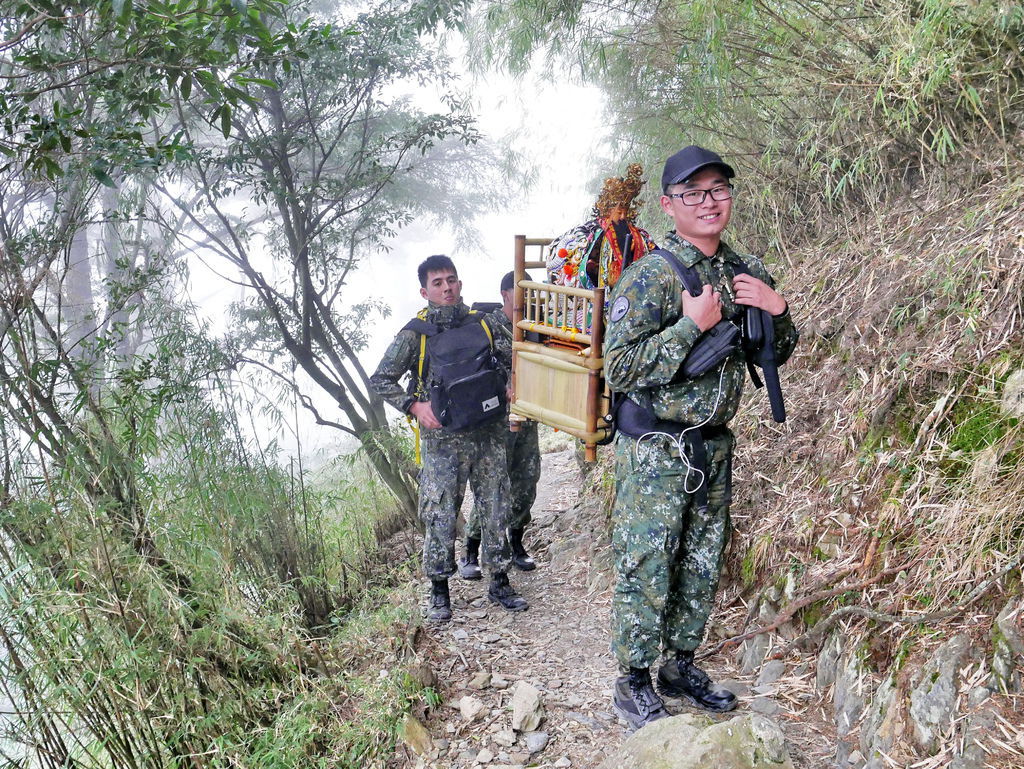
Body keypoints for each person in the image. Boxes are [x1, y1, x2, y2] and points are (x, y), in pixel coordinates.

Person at [603, 146, 799, 731]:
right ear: (669, 205)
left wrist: (778, 308)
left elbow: (776, 350)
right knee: (647, 561)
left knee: (702, 559)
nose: (709, 203)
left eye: (718, 190)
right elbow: (618, 369)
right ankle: (633, 680)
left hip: (713, 445)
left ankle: (679, 665)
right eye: (694, 193)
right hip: (656, 448)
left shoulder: (744, 269)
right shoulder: (652, 275)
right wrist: (693, 325)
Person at [370, 255, 529, 621]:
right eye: (438, 283)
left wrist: (508, 384)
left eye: (451, 280)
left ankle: (499, 580)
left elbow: (511, 361)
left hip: (488, 433)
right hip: (443, 442)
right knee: (441, 513)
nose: (447, 288)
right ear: (425, 291)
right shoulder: (415, 334)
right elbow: (381, 379)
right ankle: (439, 591)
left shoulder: (484, 324)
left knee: (495, 505)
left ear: (460, 283)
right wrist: (414, 406)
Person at [460, 271, 541, 579]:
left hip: (528, 416)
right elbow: (476, 369)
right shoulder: (488, 326)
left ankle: (517, 543)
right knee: (493, 485)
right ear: (506, 294)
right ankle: (471, 550)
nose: (528, 298)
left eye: (531, 292)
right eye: (522, 291)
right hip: (497, 420)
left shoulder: (535, 325)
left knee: (526, 479)